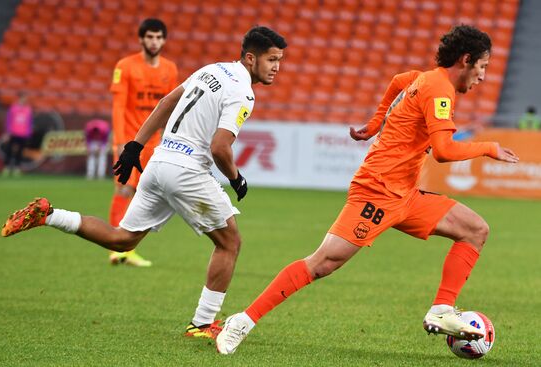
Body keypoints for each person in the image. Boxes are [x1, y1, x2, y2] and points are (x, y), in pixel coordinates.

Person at [215, 25, 519, 355]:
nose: (484, 76)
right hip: (376, 191)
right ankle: (243, 321)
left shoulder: (426, 78)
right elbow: (444, 151)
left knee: (475, 229)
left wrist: (376, 124)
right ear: (466, 59)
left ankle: (442, 309)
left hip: (406, 193)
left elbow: (399, 80)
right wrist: (489, 147)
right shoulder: (439, 89)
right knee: (323, 263)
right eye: (483, 66)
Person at [1, 26, 287, 340]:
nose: (276, 67)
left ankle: (48, 214)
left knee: (122, 239)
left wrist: (135, 146)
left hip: (160, 162)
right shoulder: (243, 92)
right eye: (272, 59)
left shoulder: (211, 69)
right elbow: (220, 147)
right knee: (229, 243)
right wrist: (236, 178)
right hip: (187, 171)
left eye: (279, 60)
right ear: (250, 58)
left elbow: (166, 102)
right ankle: (203, 324)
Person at [108, 18, 179, 267]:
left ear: (164, 40)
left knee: (144, 194)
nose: (154, 41)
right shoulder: (125, 66)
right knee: (124, 189)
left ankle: (127, 248)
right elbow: (118, 107)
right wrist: (118, 142)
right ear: (141, 39)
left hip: (155, 144)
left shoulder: (170, 69)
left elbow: (170, 109)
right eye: (150, 37)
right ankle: (116, 247)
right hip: (129, 140)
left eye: (159, 37)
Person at [2, 92, 33, 177]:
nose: (24, 99)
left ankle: (17, 168)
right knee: (9, 150)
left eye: (25, 98)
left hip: (23, 134)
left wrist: (28, 133)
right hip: (13, 132)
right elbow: (8, 120)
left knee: (20, 151)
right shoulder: (13, 108)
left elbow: (29, 122)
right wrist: (8, 132)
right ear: (19, 98)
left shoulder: (28, 109)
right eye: (22, 97)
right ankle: (7, 167)